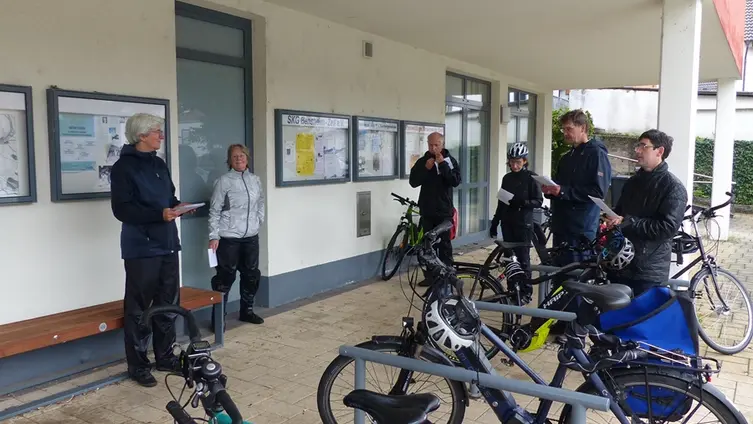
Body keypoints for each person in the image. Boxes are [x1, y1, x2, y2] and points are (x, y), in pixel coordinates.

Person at [111, 113, 192, 387]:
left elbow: (169, 198)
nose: (161, 135)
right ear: (142, 135)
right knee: (139, 310)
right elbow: (121, 210)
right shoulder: (123, 168)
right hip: (142, 248)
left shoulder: (159, 163)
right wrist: (159, 215)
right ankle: (138, 365)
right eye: (157, 131)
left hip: (168, 244)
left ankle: (166, 357)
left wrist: (179, 206)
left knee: (167, 305)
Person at [604, 129, 687, 296]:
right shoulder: (632, 182)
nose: (637, 150)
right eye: (638, 146)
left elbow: (667, 228)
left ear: (660, 151)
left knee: (643, 312)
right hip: (620, 262)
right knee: (615, 312)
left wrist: (627, 222)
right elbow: (620, 211)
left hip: (648, 272)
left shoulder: (673, 188)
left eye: (643, 146)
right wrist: (610, 218)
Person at [542, 109, 612, 265]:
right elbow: (561, 188)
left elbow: (598, 192)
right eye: (564, 129)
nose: (565, 133)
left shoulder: (597, 154)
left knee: (576, 274)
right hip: (561, 226)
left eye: (569, 129)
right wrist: (550, 191)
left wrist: (562, 191)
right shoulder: (566, 158)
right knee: (559, 273)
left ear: (583, 128)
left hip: (581, 230)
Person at [208, 144, 265, 328]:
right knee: (225, 278)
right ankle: (218, 319)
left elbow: (260, 202)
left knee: (251, 275)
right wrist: (214, 235)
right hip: (229, 237)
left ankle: (246, 311)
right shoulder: (223, 181)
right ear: (229, 161)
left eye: (242, 155)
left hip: (251, 236)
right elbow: (214, 209)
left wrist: (259, 220)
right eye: (234, 156)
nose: (239, 159)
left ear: (247, 158)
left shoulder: (255, 180)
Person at [489, 143, 543, 298]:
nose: (514, 165)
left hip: (523, 224)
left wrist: (523, 202)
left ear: (524, 161)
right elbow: (501, 202)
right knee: (509, 258)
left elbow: (538, 201)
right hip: (507, 223)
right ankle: (512, 288)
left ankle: (526, 291)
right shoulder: (507, 178)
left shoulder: (532, 178)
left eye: (518, 162)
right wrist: (495, 222)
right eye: (512, 162)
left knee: (523, 259)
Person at [409, 132, 461, 287]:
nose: (433, 148)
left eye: (436, 145)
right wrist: (425, 168)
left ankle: (448, 278)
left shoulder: (450, 161)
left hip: (444, 211)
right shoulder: (423, 161)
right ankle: (431, 276)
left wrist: (443, 165)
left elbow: (455, 181)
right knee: (427, 246)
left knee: (444, 245)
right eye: (430, 145)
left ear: (442, 144)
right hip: (427, 210)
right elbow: (413, 182)